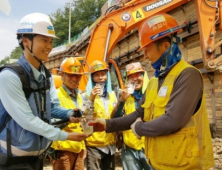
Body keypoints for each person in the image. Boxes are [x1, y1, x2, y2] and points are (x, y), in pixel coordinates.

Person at [89, 13, 214, 170]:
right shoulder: (155, 82)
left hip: (184, 165)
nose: (145, 55)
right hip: (159, 163)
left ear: (165, 47)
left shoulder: (188, 75)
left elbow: (172, 121)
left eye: (147, 49)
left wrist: (139, 128)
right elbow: (137, 115)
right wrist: (106, 124)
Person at [0, 13, 88, 170]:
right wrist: (66, 136)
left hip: (37, 160)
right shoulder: (8, 77)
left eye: (51, 41)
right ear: (25, 41)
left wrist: (69, 113)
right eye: (44, 40)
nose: (49, 46)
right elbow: (28, 120)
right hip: (11, 162)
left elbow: (52, 107)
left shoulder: (46, 77)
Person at [111, 62, 150, 170]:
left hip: (150, 146)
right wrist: (122, 100)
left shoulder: (153, 93)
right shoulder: (125, 96)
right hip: (129, 149)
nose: (135, 79)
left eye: (137, 75)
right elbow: (114, 119)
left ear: (144, 75)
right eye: (131, 77)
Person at [50, 57, 86, 170]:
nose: (75, 79)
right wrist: (67, 119)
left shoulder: (79, 96)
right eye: (71, 75)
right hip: (63, 149)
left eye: (78, 75)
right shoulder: (55, 96)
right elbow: (51, 123)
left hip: (79, 148)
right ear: (62, 75)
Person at [83, 60, 117, 170]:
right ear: (92, 78)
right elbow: (85, 120)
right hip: (94, 145)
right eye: (96, 75)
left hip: (110, 145)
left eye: (103, 74)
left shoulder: (112, 95)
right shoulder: (86, 96)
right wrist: (91, 99)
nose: (100, 77)